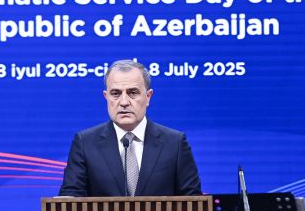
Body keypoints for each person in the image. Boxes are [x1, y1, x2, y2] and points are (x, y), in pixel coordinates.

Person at [59, 60, 202, 197]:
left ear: (148, 97)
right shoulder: (85, 143)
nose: (124, 102)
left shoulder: (175, 143)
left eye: (133, 93)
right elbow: (70, 199)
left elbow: (194, 202)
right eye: (115, 94)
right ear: (106, 97)